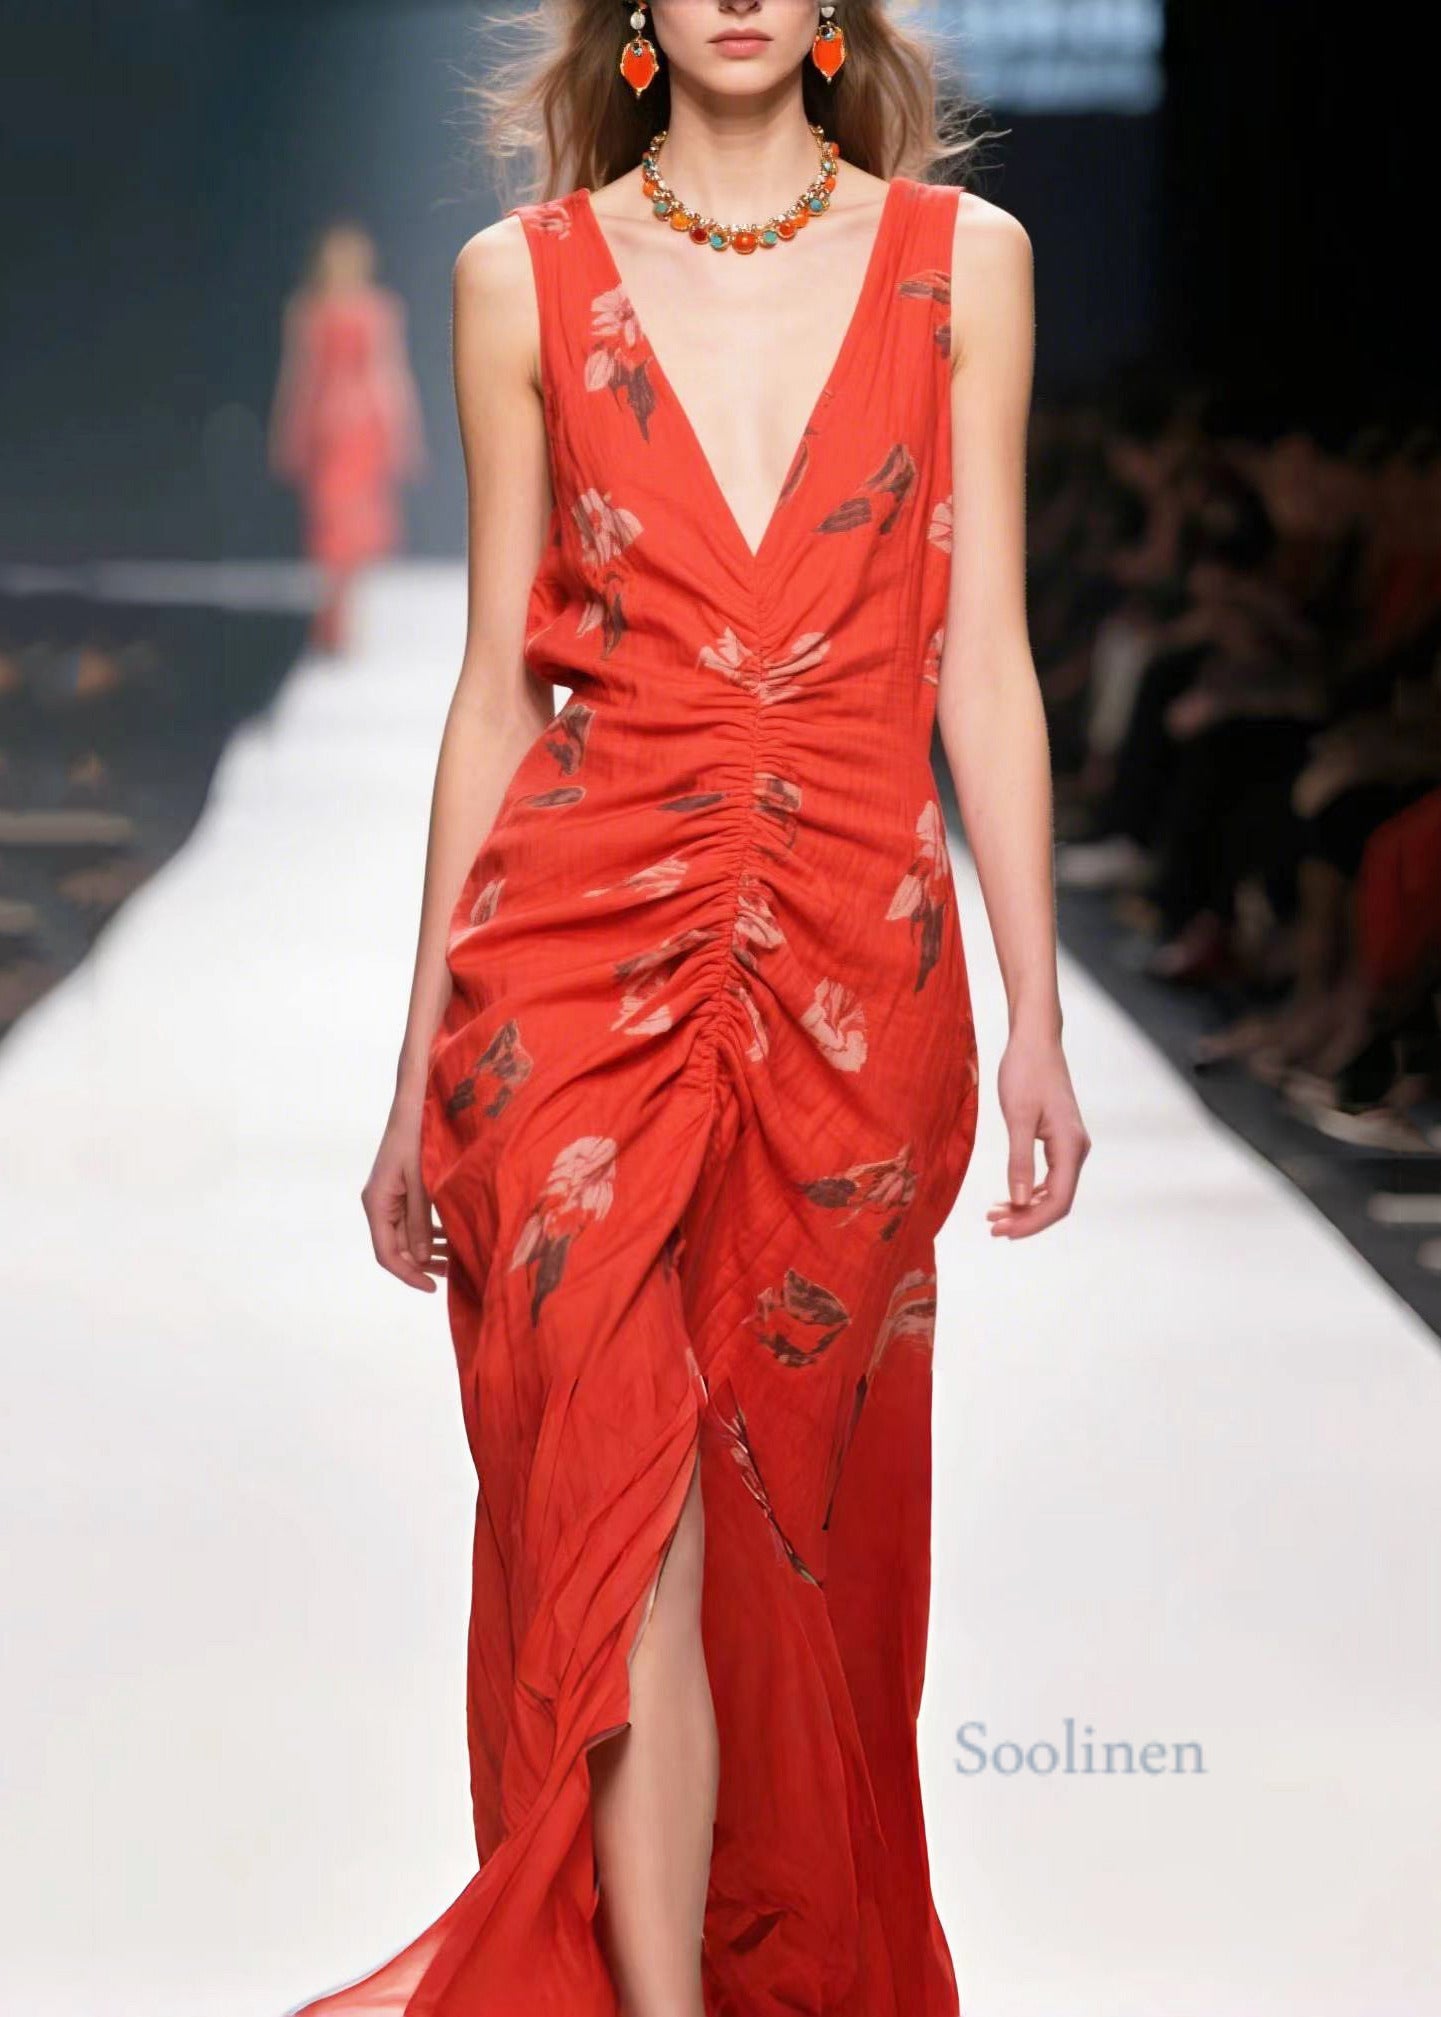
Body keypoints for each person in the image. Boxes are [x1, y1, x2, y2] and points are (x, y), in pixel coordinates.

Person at [291, 5, 1089, 2013]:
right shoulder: (518, 280)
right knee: (617, 1484)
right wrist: (412, 1071)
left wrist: (1037, 1010)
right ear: (635, 19)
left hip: (856, 971)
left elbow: (985, 657)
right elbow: (496, 689)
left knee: (779, 1515)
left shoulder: (963, 265)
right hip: (566, 963)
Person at [268, 219, 425, 654]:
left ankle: (342, 613)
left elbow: (388, 373)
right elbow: (298, 376)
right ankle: (334, 613)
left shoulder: (378, 309)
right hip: (327, 429)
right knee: (330, 520)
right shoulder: (307, 309)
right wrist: (288, 430)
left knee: (356, 523)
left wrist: (403, 432)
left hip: (361, 429)